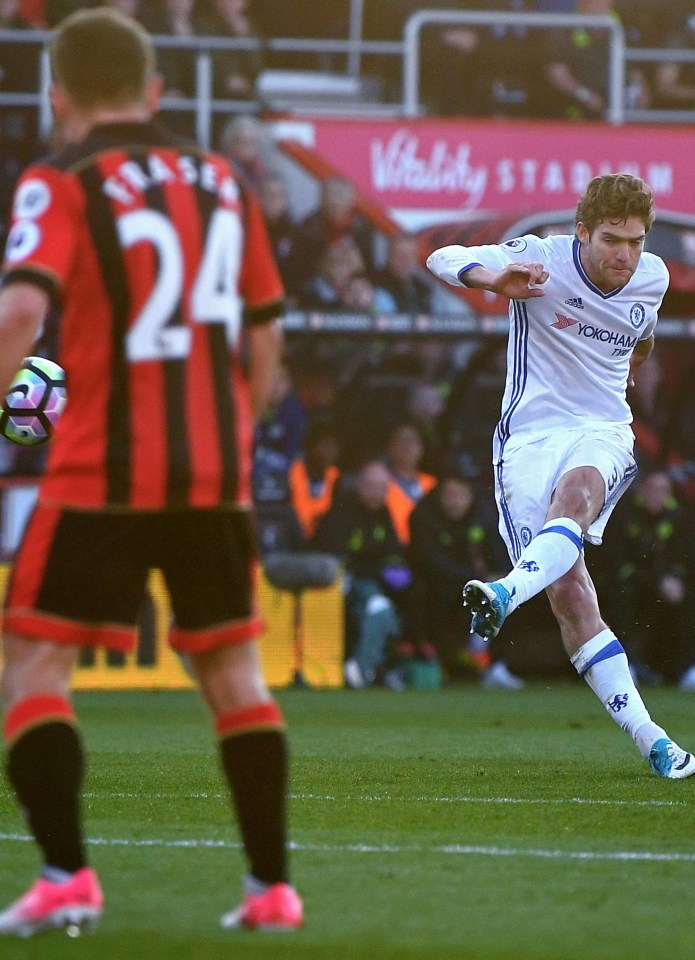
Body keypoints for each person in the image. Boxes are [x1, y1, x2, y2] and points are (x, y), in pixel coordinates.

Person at [0, 7, 302, 937]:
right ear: (156, 91)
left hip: (101, 468)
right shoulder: (223, 180)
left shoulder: (60, 179)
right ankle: (271, 892)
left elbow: (20, 312)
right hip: (212, 471)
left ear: (58, 98)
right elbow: (266, 341)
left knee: (31, 661)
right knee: (234, 675)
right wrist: (229, 437)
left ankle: (65, 878)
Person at [427, 172, 695, 779]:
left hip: (602, 430)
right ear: (582, 232)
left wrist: (630, 366)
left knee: (576, 498)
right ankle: (650, 738)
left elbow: (641, 335)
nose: (624, 254)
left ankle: (502, 593)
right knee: (572, 599)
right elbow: (441, 255)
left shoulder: (651, 278)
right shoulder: (541, 259)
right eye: (611, 239)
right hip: (527, 439)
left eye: (635, 240)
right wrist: (491, 277)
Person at [406, 473, 524, 690]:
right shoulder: (424, 516)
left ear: (470, 497)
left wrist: (500, 577)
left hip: (475, 584)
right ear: (440, 497)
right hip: (437, 584)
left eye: (460, 495)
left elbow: (498, 555)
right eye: (449, 495)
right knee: (421, 592)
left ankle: (496, 664)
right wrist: (474, 578)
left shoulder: (484, 518)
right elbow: (430, 562)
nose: (454, 501)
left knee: (507, 593)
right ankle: (434, 660)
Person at [312, 460, 410, 690]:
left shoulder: (383, 513)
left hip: (372, 582)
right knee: (378, 606)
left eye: (383, 487)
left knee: (389, 606)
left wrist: (395, 568)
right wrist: (378, 570)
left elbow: (392, 551)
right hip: (339, 583)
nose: (378, 493)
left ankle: (368, 666)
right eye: (372, 486)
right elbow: (338, 558)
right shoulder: (341, 512)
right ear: (360, 485)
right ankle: (366, 667)